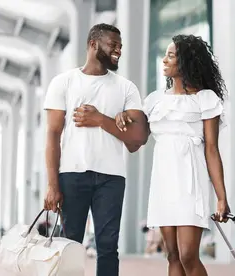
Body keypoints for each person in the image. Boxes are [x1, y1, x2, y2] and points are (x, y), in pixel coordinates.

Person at [114, 34, 230, 276]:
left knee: (188, 255)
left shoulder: (205, 99)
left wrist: (221, 197)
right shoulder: (155, 100)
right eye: (164, 55)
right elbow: (137, 136)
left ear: (186, 61)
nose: (164, 60)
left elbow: (211, 149)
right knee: (172, 255)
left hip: (191, 182)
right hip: (163, 180)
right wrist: (122, 117)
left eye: (171, 55)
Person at [43, 23, 148, 276]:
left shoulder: (126, 87)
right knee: (69, 247)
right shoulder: (63, 82)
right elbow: (53, 136)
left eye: (120, 46)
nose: (118, 51)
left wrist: (101, 119)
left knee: (108, 247)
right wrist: (52, 184)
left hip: (111, 178)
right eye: (113, 45)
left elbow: (138, 139)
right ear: (93, 44)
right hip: (71, 175)